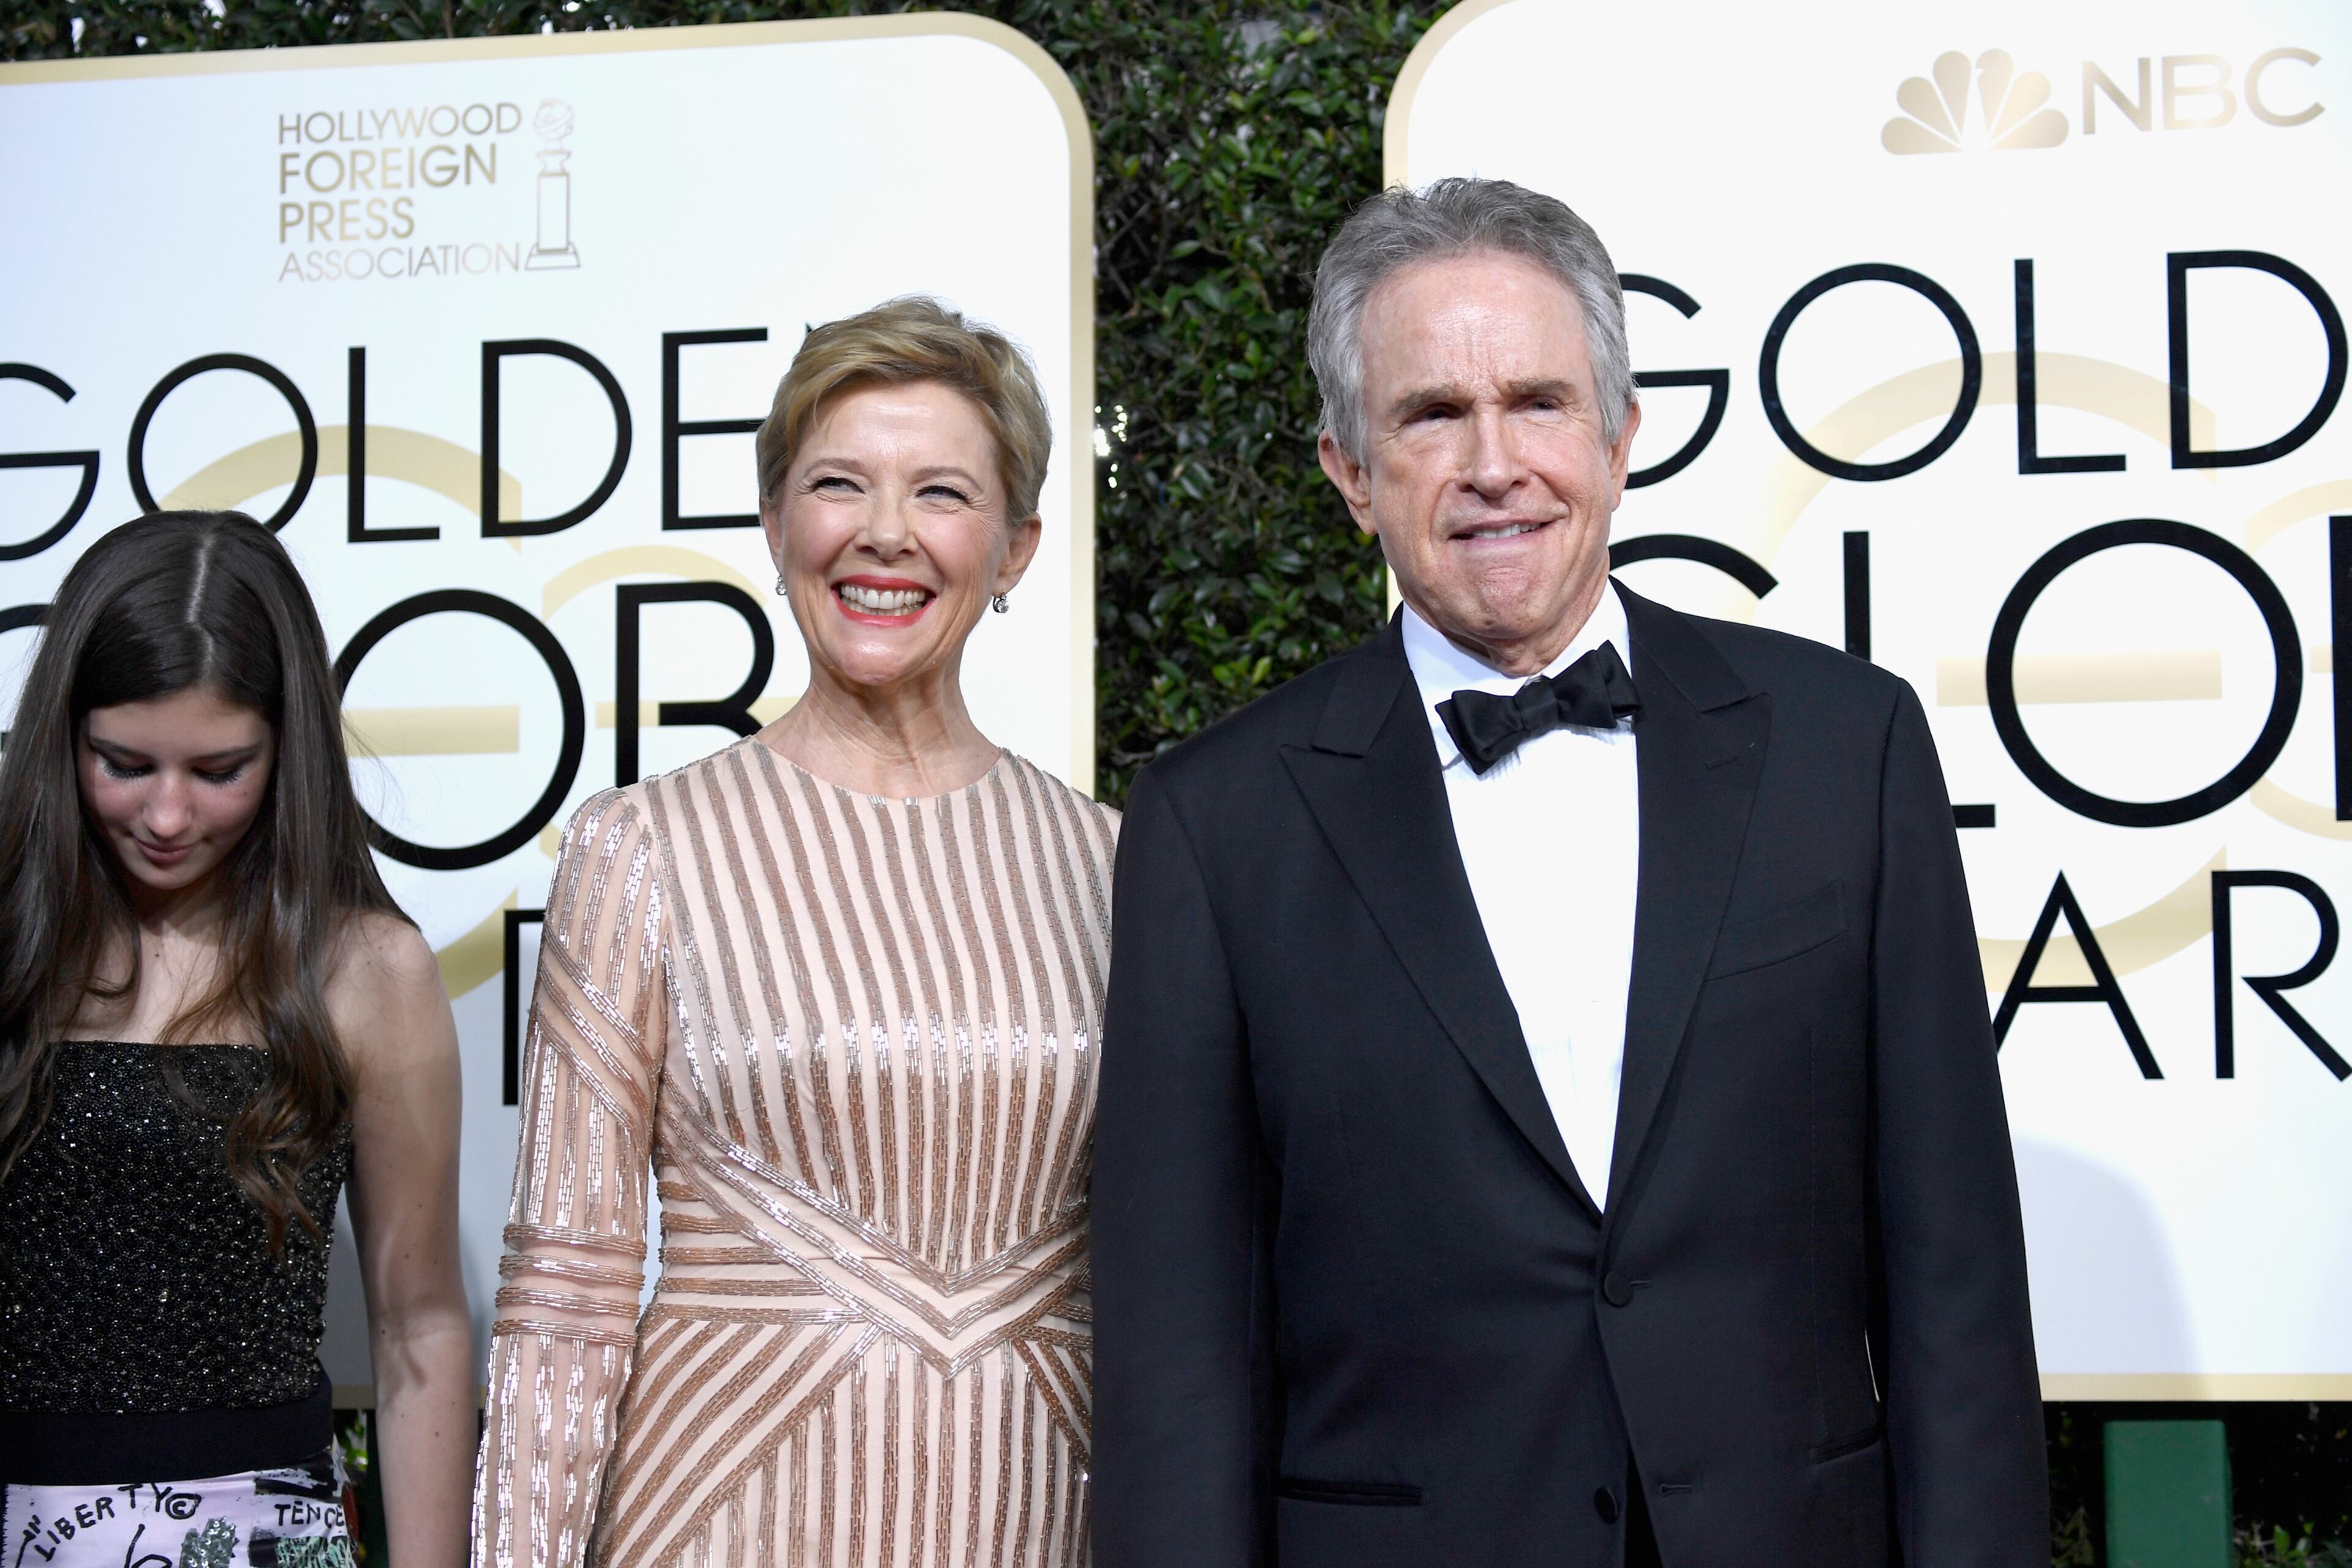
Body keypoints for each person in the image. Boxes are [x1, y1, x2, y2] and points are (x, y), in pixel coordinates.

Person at [1091, 178, 2046, 1567]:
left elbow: (1954, 1276)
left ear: (1618, 435)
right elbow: (1178, 1348)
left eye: (1538, 400)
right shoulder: (1213, 821)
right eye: (1431, 415)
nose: (1495, 463)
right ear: (1350, 473)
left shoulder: (1848, 747)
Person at [475, 296, 1117, 1568]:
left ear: (1018, 546)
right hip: (721, 1510)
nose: (885, 533)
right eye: (838, 484)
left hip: (1036, 1499)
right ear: (777, 526)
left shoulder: (1112, 859)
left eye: (941, 491)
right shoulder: (643, 848)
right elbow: (569, 1290)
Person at [0, 511, 474, 1567]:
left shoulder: (365, 971)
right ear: (62, 735)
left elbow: (419, 1324)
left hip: (261, 1529)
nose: (167, 816)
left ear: (288, 749)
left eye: (219, 771)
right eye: (123, 762)